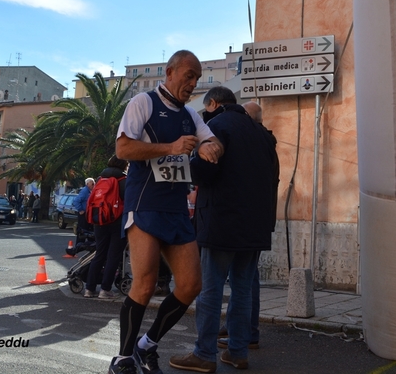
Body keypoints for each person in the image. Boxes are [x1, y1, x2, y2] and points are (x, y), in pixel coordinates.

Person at [109, 50, 224, 374]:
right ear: (170, 72)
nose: (192, 83)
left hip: (175, 209)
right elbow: (123, 148)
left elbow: (211, 141)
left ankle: (147, 345)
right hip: (144, 203)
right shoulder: (143, 104)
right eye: (188, 75)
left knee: (190, 285)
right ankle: (123, 357)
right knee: (144, 283)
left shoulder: (190, 115)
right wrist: (171, 148)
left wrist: (210, 147)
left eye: (197, 78)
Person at [169, 88, 277, 373]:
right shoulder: (262, 133)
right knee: (243, 290)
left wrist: (187, 161)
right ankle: (238, 351)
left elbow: (205, 171)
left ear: (214, 104)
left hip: (222, 221)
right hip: (256, 225)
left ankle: (204, 354)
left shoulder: (217, 126)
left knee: (211, 289)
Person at [217, 101, 279, 352]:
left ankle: (245, 332)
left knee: (244, 281)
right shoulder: (267, 142)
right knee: (246, 280)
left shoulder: (254, 141)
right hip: (259, 220)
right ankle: (240, 329)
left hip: (243, 221)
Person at [84, 158, 128, 299]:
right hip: (117, 221)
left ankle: (89, 289)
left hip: (99, 220)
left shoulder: (100, 179)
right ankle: (105, 290)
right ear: (124, 165)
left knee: (99, 254)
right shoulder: (124, 179)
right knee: (113, 256)